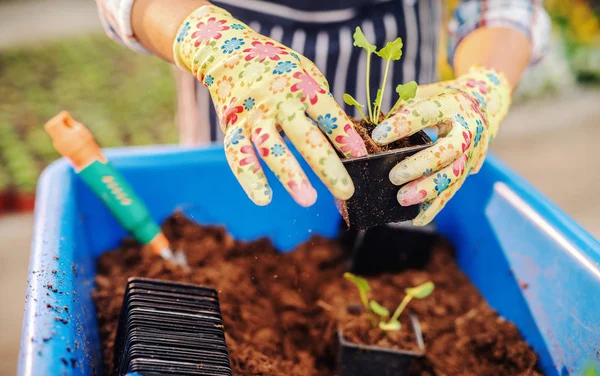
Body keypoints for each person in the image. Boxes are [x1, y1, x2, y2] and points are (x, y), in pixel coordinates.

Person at [95, 0, 550, 226]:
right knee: (231, 228)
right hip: (241, 66)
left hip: (394, 35)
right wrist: (218, 48)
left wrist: (482, 85)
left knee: (393, 227)